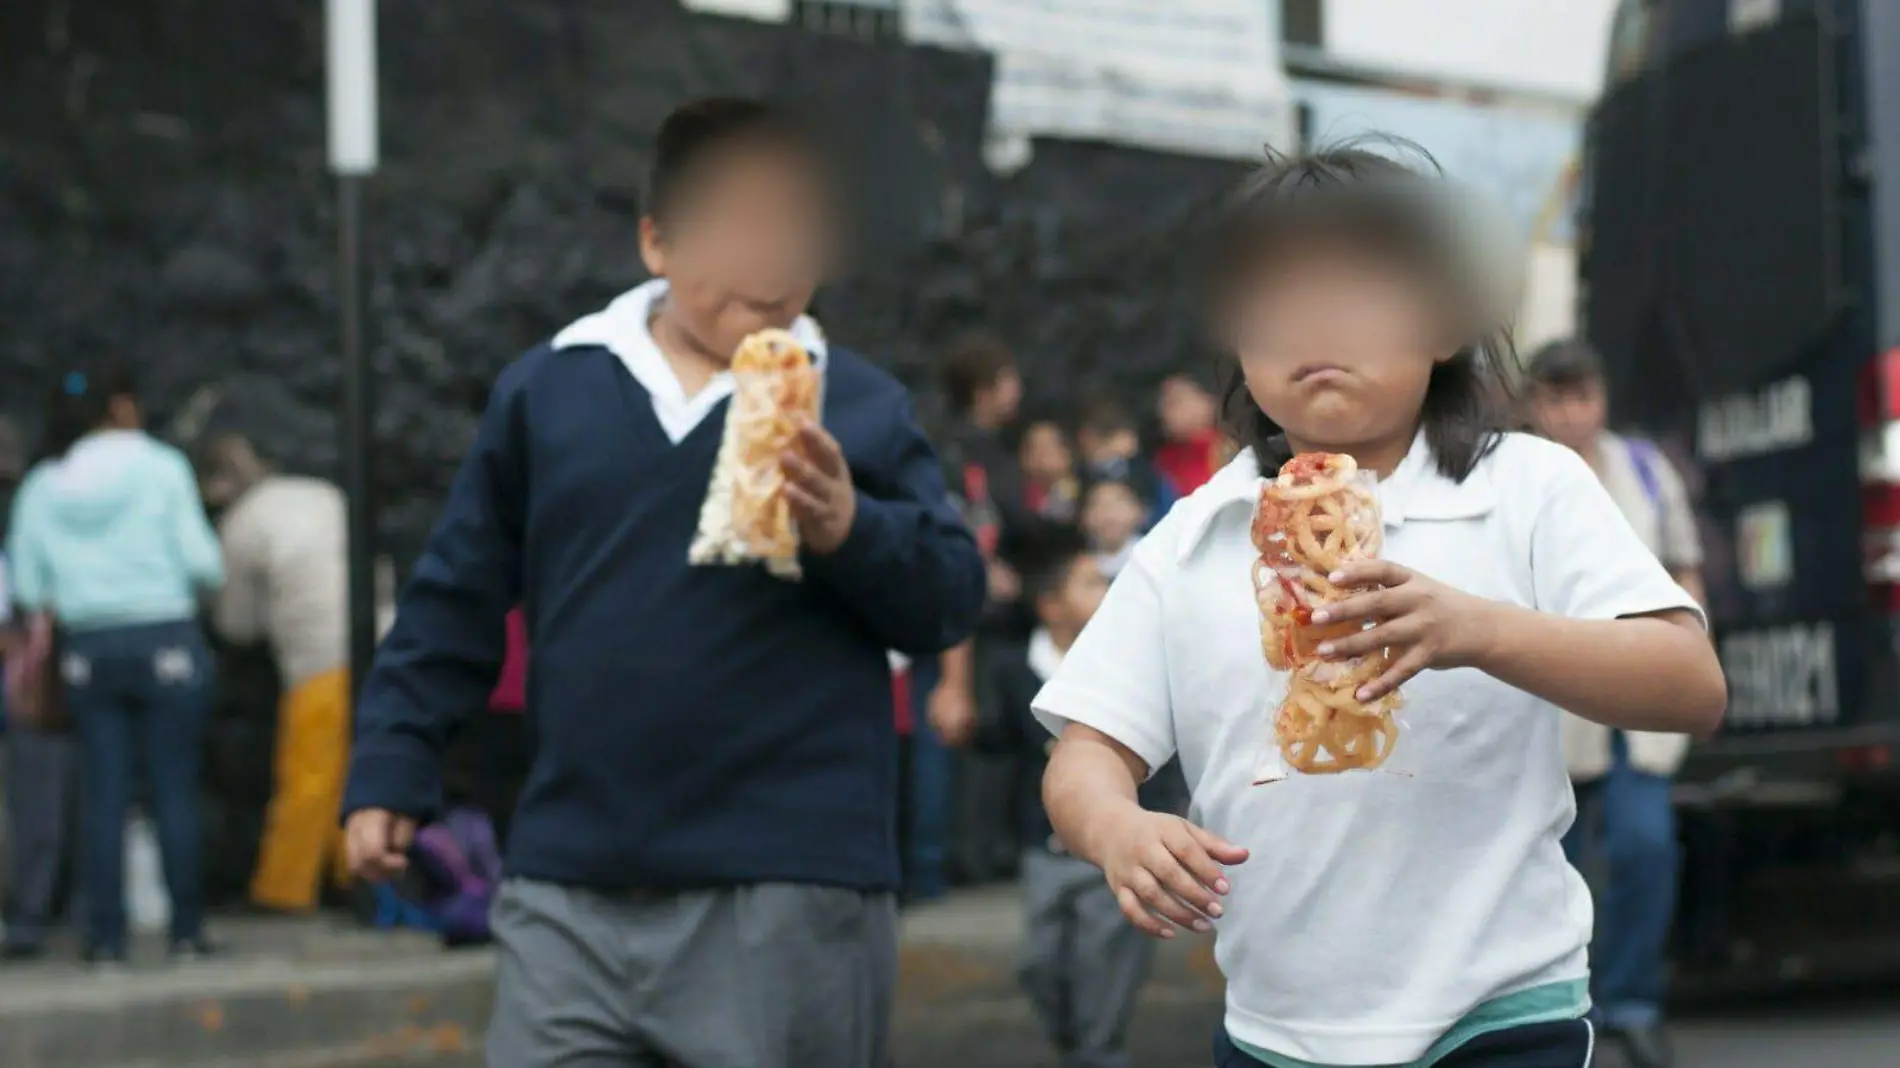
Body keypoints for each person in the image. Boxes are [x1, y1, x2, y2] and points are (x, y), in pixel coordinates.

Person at [1035, 144, 1726, 1068]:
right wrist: (1117, 828)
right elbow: (1084, 754)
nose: (1315, 317)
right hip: (1276, 1033)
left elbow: (1688, 684)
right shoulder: (1192, 534)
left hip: (1503, 1016)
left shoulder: (1523, 486)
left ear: (1443, 319)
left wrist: (1477, 629)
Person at [340, 98, 985, 1068]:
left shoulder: (858, 404)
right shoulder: (552, 387)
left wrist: (849, 528)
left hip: (788, 885)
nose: (771, 264)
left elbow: (946, 597)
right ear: (656, 240)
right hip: (570, 881)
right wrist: (392, 761)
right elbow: (455, 596)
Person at [1525, 337, 1705, 1068]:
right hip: (1553, 695)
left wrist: (1692, 643)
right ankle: (1569, 1008)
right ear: (1535, 405)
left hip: (1638, 688)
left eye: (1584, 397)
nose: (1572, 413)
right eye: (1557, 398)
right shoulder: (1519, 474)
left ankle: (1632, 999)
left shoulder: (1641, 468)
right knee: (1548, 865)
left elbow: (1683, 560)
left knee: (1645, 843)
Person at [6, 366, 225, 965]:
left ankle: (105, 939)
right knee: (173, 787)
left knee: (102, 794)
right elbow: (205, 564)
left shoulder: (44, 486)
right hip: (165, 638)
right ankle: (186, 932)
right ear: (122, 407)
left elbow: (27, 586)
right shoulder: (162, 468)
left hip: (88, 648)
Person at [977, 527, 1183, 1068]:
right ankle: (1079, 1046)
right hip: (1042, 846)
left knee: (1106, 963)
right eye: (1090, 582)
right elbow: (998, 744)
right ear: (1049, 605)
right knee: (1038, 961)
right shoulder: (1017, 666)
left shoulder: (1134, 660)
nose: (1106, 591)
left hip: (1111, 847)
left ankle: (1100, 1050)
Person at [196, 433, 354, 914]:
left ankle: (285, 889)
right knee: (359, 772)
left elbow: (236, 625)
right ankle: (355, 878)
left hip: (317, 656)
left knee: (307, 774)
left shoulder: (244, 523)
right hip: (382, 641)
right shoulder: (321, 492)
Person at [929, 332, 1031, 887]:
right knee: (981, 736)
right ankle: (969, 854)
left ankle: (995, 847)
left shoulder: (995, 447)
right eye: (1008, 380)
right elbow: (969, 521)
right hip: (977, 617)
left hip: (1009, 616)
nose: (1017, 391)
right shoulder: (960, 452)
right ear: (983, 389)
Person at [1074, 396, 1177, 524]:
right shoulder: (1080, 475)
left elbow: (1166, 511)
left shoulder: (1146, 472)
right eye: (1126, 434)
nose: (1134, 441)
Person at [1153, 373, 1227, 495]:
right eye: (1173, 404)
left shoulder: (1236, 440)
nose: (1188, 407)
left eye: (1194, 396)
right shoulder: (1164, 464)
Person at [1079, 477, 1148, 580]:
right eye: (1098, 505)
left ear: (1139, 511)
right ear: (1084, 517)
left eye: (1118, 504)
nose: (1109, 515)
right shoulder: (1080, 569)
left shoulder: (1155, 556)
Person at [1016, 415, 1080, 523]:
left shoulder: (1080, 496)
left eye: (1048, 448)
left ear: (1066, 454)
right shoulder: (1016, 498)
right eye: (1035, 449)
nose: (1042, 458)